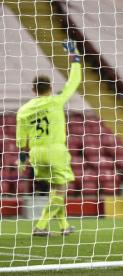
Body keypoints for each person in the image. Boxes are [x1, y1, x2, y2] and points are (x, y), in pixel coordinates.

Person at [16, 40, 81, 236]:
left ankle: (63, 226)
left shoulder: (23, 110)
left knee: (54, 189)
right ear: (50, 88)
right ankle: (41, 225)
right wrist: (74, 56)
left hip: (36, 153)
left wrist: (21, 158)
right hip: (55, 151)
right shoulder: (56, 100)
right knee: (61, 189)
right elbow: (74, 81)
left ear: (34, 90)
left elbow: (21, 137)